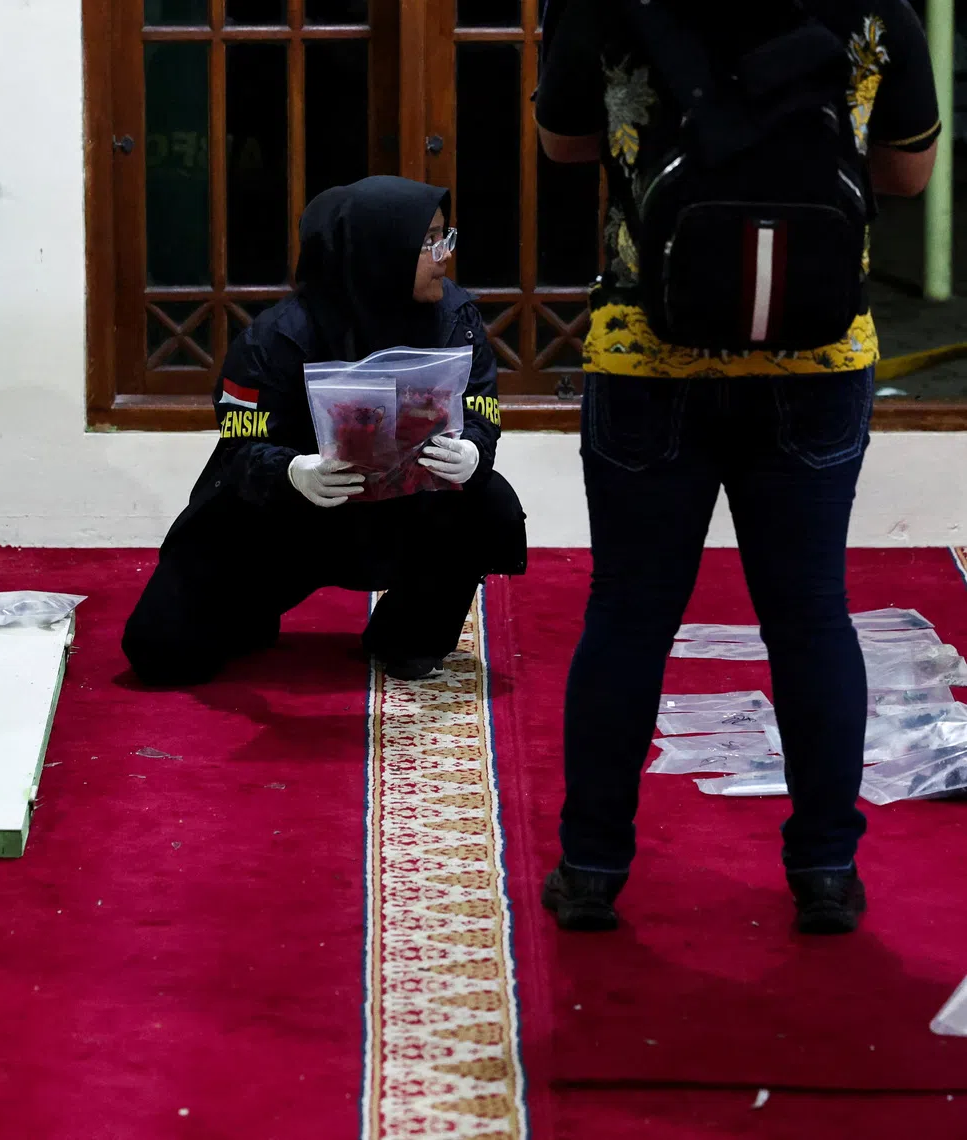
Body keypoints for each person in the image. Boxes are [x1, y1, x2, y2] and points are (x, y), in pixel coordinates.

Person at [535, 0, 941, 935]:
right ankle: (826, 871)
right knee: (808, 616)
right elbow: (905, 171)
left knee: (630, 615)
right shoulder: (877, 6)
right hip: (819, 354)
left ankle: (593, 868)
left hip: (648, 349)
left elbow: (566, 146)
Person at [123, 176, 527, 686]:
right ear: (379, 249)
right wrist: (292, 471)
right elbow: (240, 442)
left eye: (445, 236)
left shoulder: (455, 318)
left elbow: (481, 407)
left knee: (488, 499)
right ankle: (245, 613)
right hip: (290, 517)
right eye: (427, 241)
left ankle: (409, 634)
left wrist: (473, 449)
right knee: (159, 651)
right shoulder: (280, 335)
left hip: (404, 513)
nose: (443, 254)